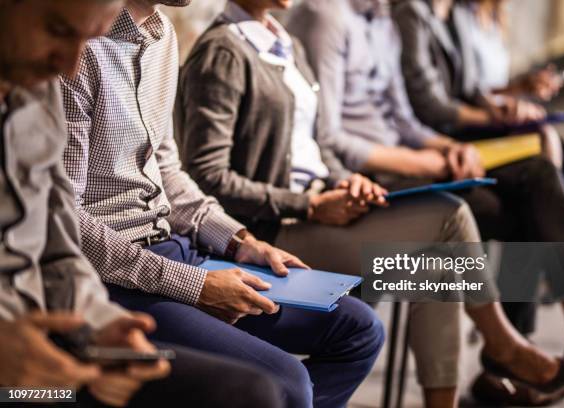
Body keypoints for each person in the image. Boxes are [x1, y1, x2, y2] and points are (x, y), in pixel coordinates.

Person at [176, 1, 564, 406]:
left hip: (322, 201)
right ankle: (505, 344)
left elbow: (319, 147)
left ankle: (489, 363)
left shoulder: (287, 41)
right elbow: (206, 175)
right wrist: (309, 203)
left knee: (441, 265)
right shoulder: (223, 51)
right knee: (452, 220)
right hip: (272, 229)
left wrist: (348, 182)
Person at [60, 1, 385, 407]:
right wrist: (195, 286)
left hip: (177, 246)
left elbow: (167, 170)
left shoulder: (163, 35)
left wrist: (239, 240)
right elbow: (65, 219)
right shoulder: (76, 48)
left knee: (360, 328)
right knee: (288, 383)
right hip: (116, 276)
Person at [288, 0, 564, 389]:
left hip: (405, 157)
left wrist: (445, 148)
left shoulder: (380, 17)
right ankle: (511, 355)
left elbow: (405, 118)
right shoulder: (328, 16)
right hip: (364, 177)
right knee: (516, 215)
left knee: (539, 175)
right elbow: (330, 138)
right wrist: (428, 163)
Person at [0, 1, 283, 407]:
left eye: (88, 39)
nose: (71, 65)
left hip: (70, 317)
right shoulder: (224, 49)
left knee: (358, 324)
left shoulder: (36, 96)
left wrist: (104, 326)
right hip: (24, 356)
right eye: (59, 30)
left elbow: (57, 243)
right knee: (273, 384)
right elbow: (212, 173)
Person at [461, 0, 564, 197]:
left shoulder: (496, 17)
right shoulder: (462, 18)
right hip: (478, 121)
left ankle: (548, 219)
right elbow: (466, 91)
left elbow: (494, 84)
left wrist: (523, 86)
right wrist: (507, 106)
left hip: (500, 115)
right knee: (552, 147)